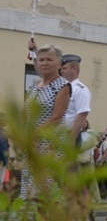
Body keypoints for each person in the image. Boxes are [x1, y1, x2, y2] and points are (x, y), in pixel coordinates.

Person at [20, 44, 71, 201]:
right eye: (41, 60)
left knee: (49, 194)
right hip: (32, 145)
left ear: (59, 63)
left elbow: (56, 117)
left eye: (49, 59)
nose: (44, 63)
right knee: (34, 194)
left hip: (50, 145)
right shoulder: (35, 85)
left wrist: (35, 134)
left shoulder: (62, 85)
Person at [59, 54, 92, 145]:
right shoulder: (62, 88)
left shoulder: (80, 90)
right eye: (61, 69)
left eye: (64, 68)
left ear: (74, 69)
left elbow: (81, 115)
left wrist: (71, 139)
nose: (61, 71)